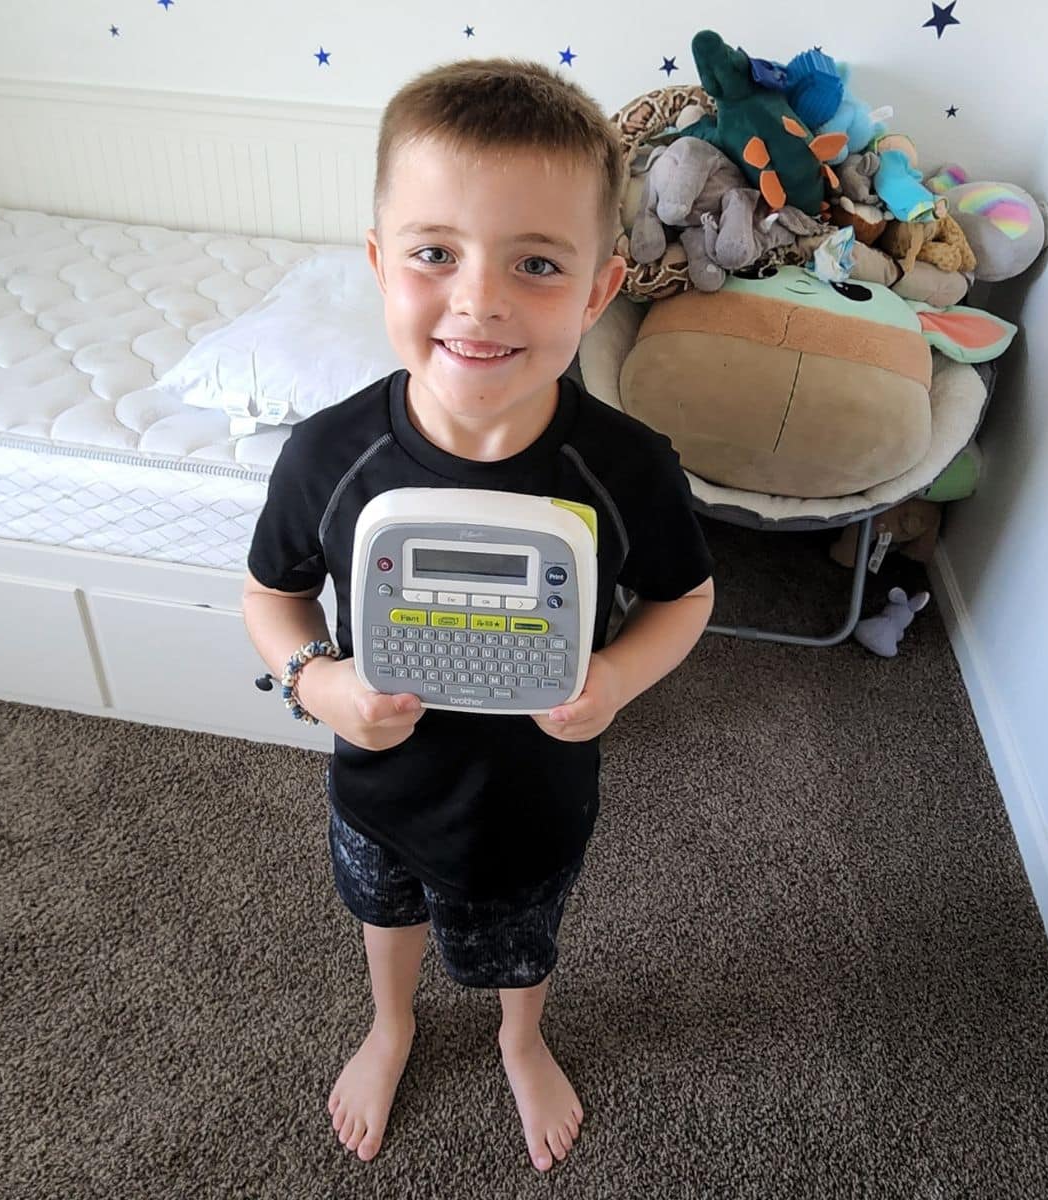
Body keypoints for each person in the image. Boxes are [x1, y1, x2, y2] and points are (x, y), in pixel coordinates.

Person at [242, 57, 715, 1173]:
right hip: (379, 780)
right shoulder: (329, 455)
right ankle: (393, 1022)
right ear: (378, 264)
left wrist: (618, 680)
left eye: (537, 262)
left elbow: (688, 597)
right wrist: (317, 681)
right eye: (433, 253)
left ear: (600, 289)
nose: (479, 299)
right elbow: (272, 592)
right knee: (386, 912)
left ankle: (520, 1037)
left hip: (535, 794)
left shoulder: (627, 468)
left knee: (516, 940)